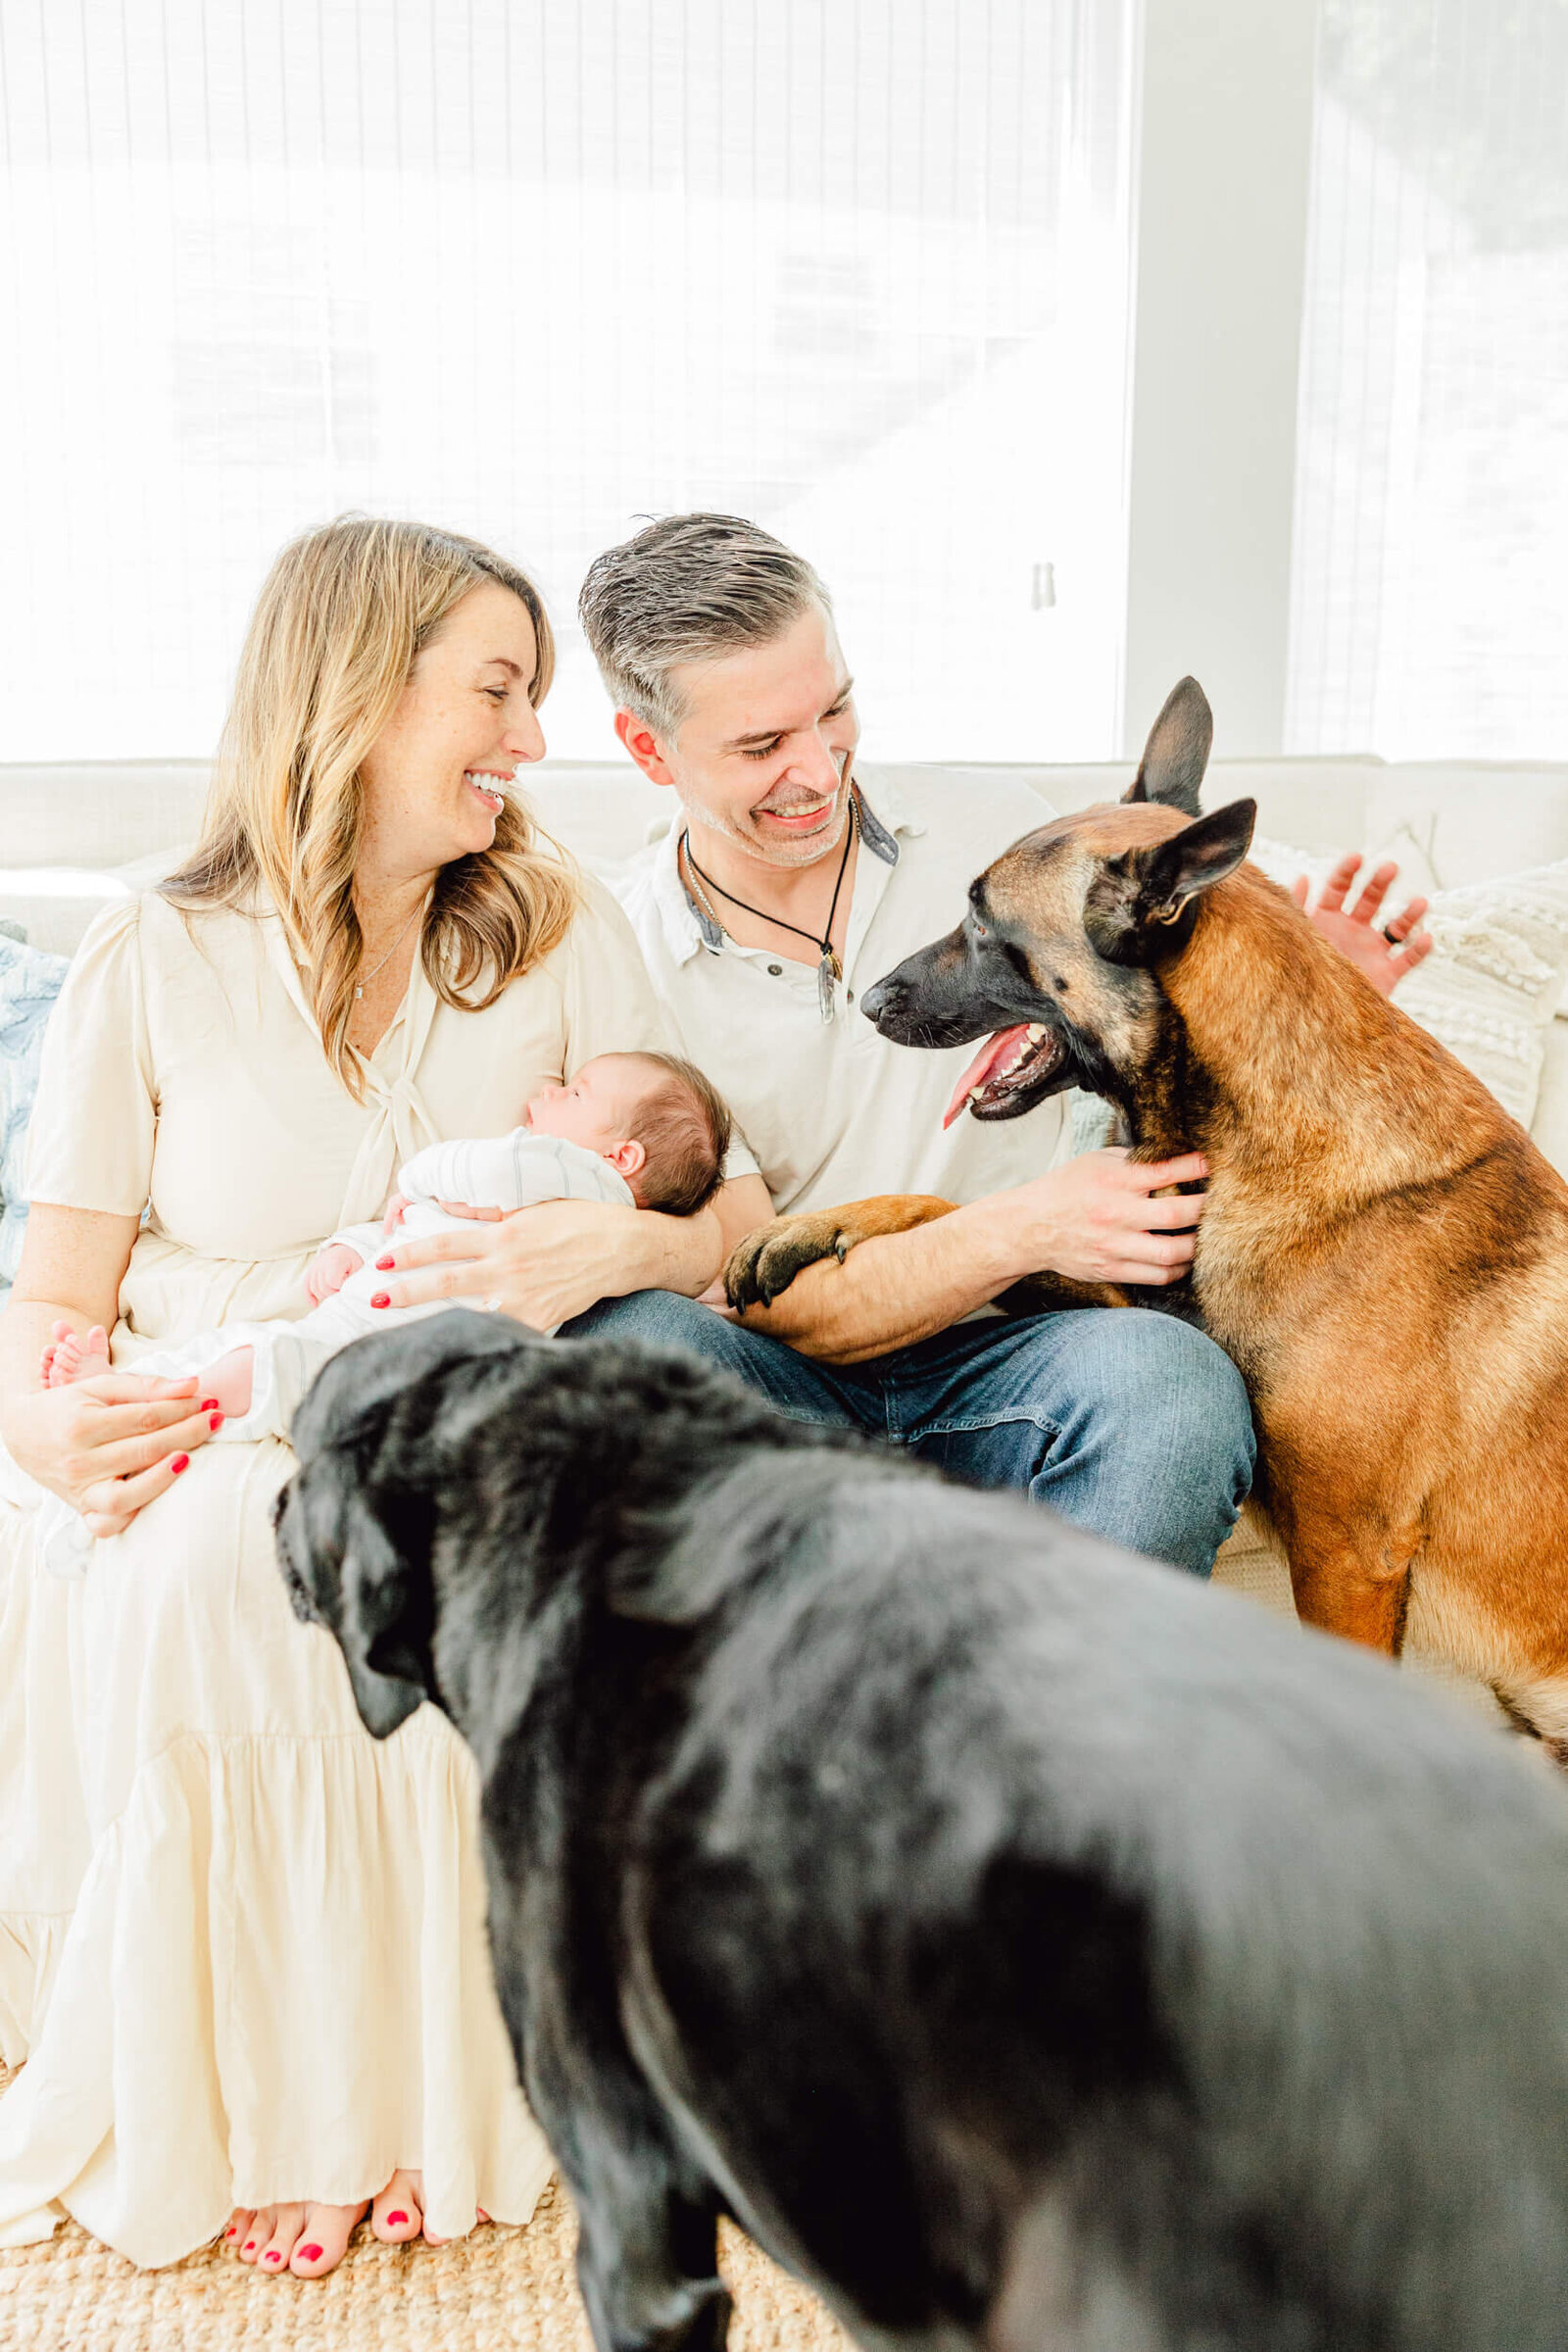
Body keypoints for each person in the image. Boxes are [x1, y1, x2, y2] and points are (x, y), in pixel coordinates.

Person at [0, 520, 747, 2279]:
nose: (530, 740)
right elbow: (50, 1301)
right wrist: (36, 1423)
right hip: (215, 1401)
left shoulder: (556, 935)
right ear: (354, 694)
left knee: (425, 1573)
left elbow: (736, 1201)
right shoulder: (154, 960)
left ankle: (404, 2104)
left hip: (469, 1407)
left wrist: (619, 1257)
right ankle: (261, 2107)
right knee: (205, 1577)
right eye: (497, 690)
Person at [371, 512, 1428, 1578]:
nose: (820, 771)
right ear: (648, 750)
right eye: (760, 746)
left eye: (832, 711)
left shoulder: (997, 838)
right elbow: (747, 1281)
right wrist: (1018, 1229)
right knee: (626, 1346)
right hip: (775, 1376)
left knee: (1172, 1382)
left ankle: (1064, 1721)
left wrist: (1303, 997)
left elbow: (1156, 1036)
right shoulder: (616, 948)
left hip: (1025, 1347)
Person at [22, 1052, 730, 1568]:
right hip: (383, 1328)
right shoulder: (555, 1195)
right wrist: (351, 1245)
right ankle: (128, 1406)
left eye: (574, 1093)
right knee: (256, 1352)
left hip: (388, 1345)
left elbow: (471, 1172)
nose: (548, 1090)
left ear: (625, 1156)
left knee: (259, 1365)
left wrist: (419, 1175)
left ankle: (137, 1405)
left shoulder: (575, 1178)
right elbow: (411, 1233)